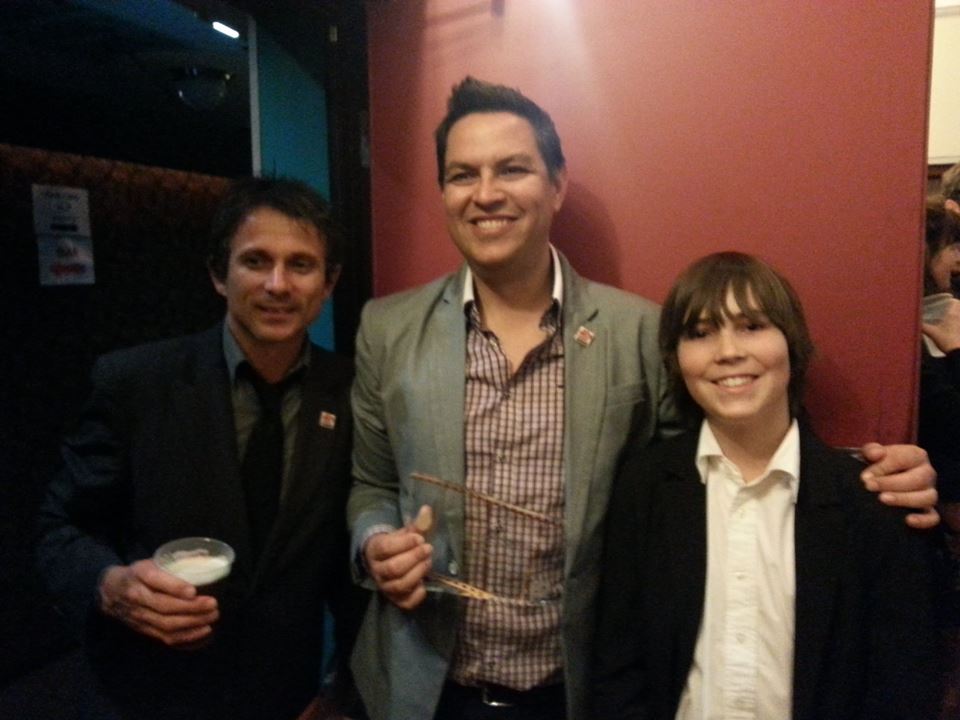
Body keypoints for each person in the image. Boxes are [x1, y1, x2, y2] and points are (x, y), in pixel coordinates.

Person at [346, 77, 938, 720]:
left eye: (512, 169)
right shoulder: (387, 328)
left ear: (557, 185)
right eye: (464, 174)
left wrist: (862, 473)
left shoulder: (637, 331)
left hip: (578, 688)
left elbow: (722, 454)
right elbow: (370, 482)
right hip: (424, 686)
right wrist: (376, 540)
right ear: (443, 192)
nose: (486, 193)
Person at [36, 177, 363, 720]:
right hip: (153, 690)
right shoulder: (136, 382)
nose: (277, 284)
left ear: (328, 283)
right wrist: (109, 584)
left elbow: (352, 572)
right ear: (219, 274)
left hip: (291, 694)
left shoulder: (354, 392)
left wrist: (341, 686)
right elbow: (60, 528)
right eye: (255, 261)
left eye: (301, 265)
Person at [592, 251, 939, 720]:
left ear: (791, 344)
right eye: (700, 332)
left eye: (752, 326)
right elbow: (618, 665)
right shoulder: (644, 488)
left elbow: (903, 683)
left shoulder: (873, 501)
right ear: (677, 359)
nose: (728, 350)